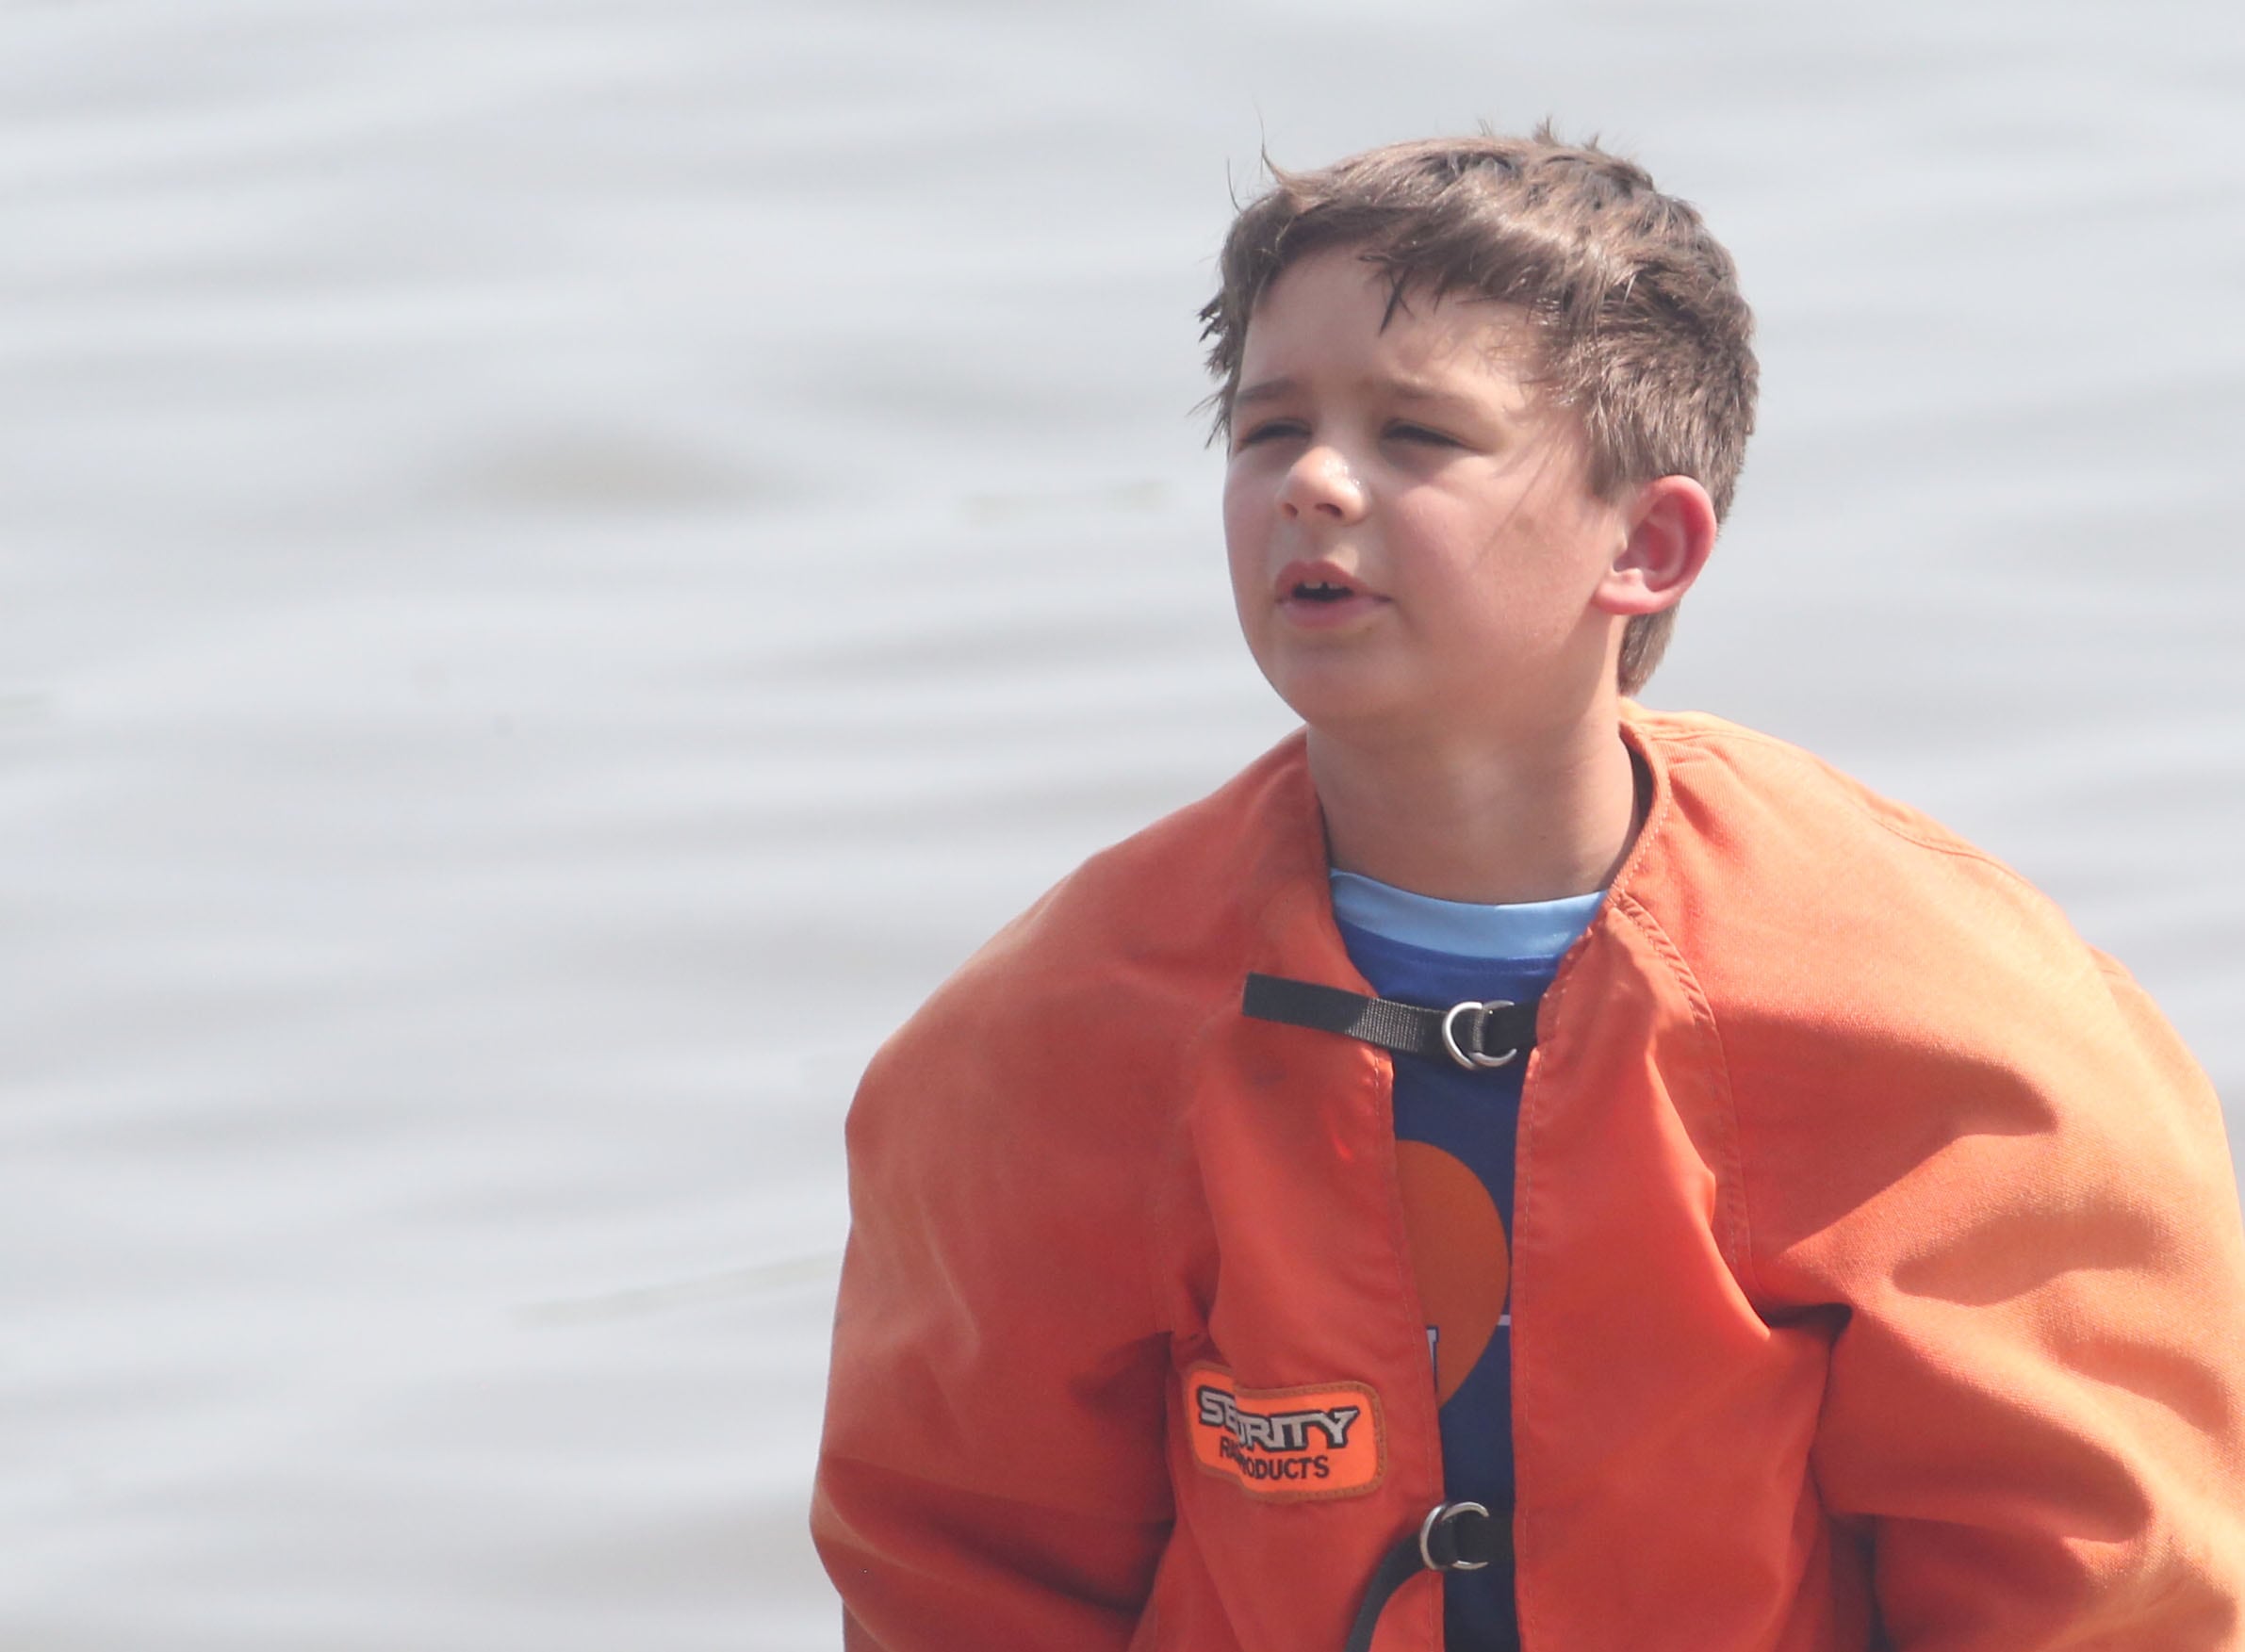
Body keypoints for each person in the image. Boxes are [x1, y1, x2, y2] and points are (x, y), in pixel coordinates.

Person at [808, 128, 2245, 1651]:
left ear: (1646, 543)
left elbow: (2108, 1594)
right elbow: (958, 1573)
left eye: (1414, 434)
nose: (1309, 480)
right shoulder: (1053, 1037)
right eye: (1264, 426)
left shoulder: (1944, 1018)